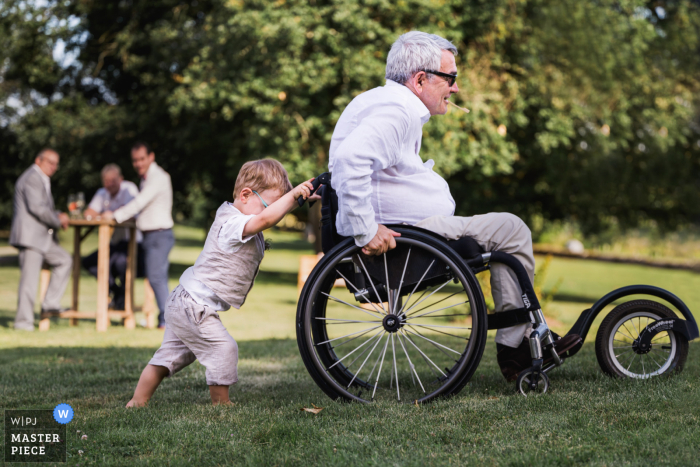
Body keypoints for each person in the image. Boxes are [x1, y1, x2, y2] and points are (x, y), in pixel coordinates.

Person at [328, 31, 581, 381]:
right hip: (407, 236)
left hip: (411, 229)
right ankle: (516, 346)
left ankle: (517, 341)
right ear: (420, 79)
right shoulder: (396, 111)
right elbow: (349, 160)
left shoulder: (383, 105)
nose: (456, 88)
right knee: (510, 229)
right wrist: (365, 229)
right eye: (451, 77)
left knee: (506, 230)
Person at [126, 159, 318, 407]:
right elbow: (265, 220)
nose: (274, 213)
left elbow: (269, 214)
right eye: (270, 204)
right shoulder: (232, 222)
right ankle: (221, 404)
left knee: (170, 357)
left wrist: (303, 197)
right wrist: (292, 196)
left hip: (185, 301)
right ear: (246, 195)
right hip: (192, 305)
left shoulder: (243, 216)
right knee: (224, 348)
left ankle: (137, 401)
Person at [102, 142, 174, 328]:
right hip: (153, 234)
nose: (138, 163)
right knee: (158, 277)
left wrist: (115, 215)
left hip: (159, 234)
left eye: (142, 159)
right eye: (135, 160)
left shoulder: (157, 177)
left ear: (151, 157)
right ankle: (167, 319)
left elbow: (139, 203)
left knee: (155, 277)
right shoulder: (146, 178)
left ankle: (168, 320)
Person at [10, 149, 72, 331]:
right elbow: (38, 208)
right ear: (38, 160)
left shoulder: (42, 178)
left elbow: (45, 207)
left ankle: (50, 302)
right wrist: (58, 220)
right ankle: (23, 323)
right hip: (30, 238)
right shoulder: (32, 177)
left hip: (43, 239)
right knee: (29, 282)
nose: (53, 166)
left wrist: (57, 214)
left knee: (65, 260)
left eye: (55, 164)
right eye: (49, 162)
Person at [82, 164, 143, 310]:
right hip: (114, 244)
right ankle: (117, 292)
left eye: (113, 180)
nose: (109, 184)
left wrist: (112, 214)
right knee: (89, 263)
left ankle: (123, 301)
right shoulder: (102, 193)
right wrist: (104, 215)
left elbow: (134, 215)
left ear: (120, 179)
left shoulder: (129, 189)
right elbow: (88, 213)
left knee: (120, 263)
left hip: (133, 243)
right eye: (106, 181)